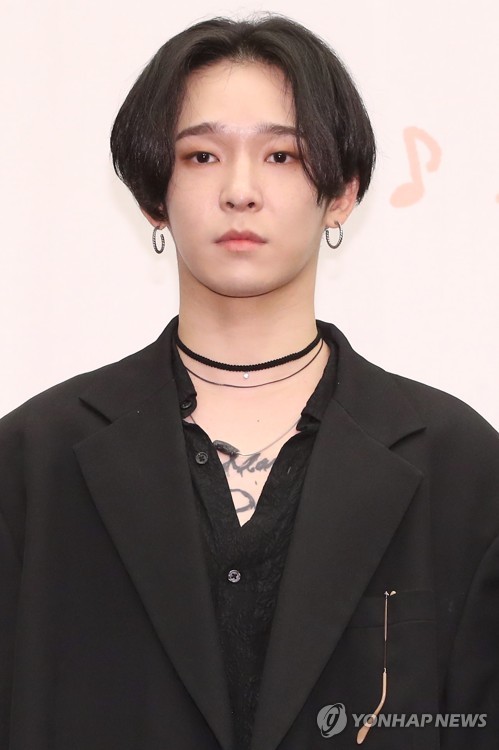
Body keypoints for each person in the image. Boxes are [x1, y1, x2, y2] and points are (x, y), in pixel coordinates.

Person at [0, 13, 498, 750]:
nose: (239, 190)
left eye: (282, 155)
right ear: (153, 195)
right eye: (201, 155)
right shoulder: (30, 463)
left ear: (343, 193)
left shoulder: (462, 466)